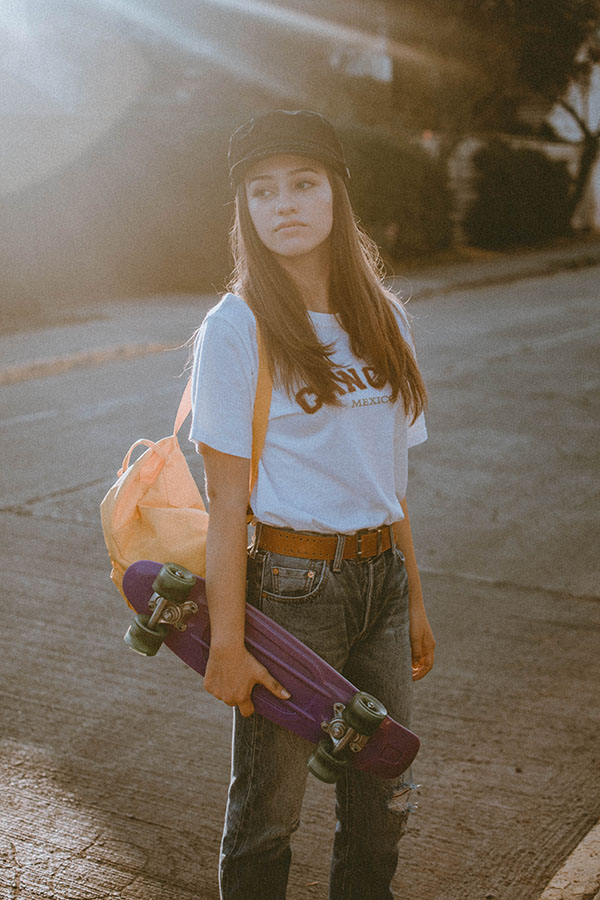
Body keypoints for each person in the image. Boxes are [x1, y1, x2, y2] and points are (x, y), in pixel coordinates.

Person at [189, 109, 436, 900]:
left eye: (303, 183)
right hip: (293, 593)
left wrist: (416, 603)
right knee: (269, 815)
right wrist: (228, 640)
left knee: (381, 802)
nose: (284, 204)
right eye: (262, 191)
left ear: (336, 195)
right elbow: (226, 501)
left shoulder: (384, 320)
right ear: (245, 211)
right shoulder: (236, 328)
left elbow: (388, 485)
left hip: (382, 585)